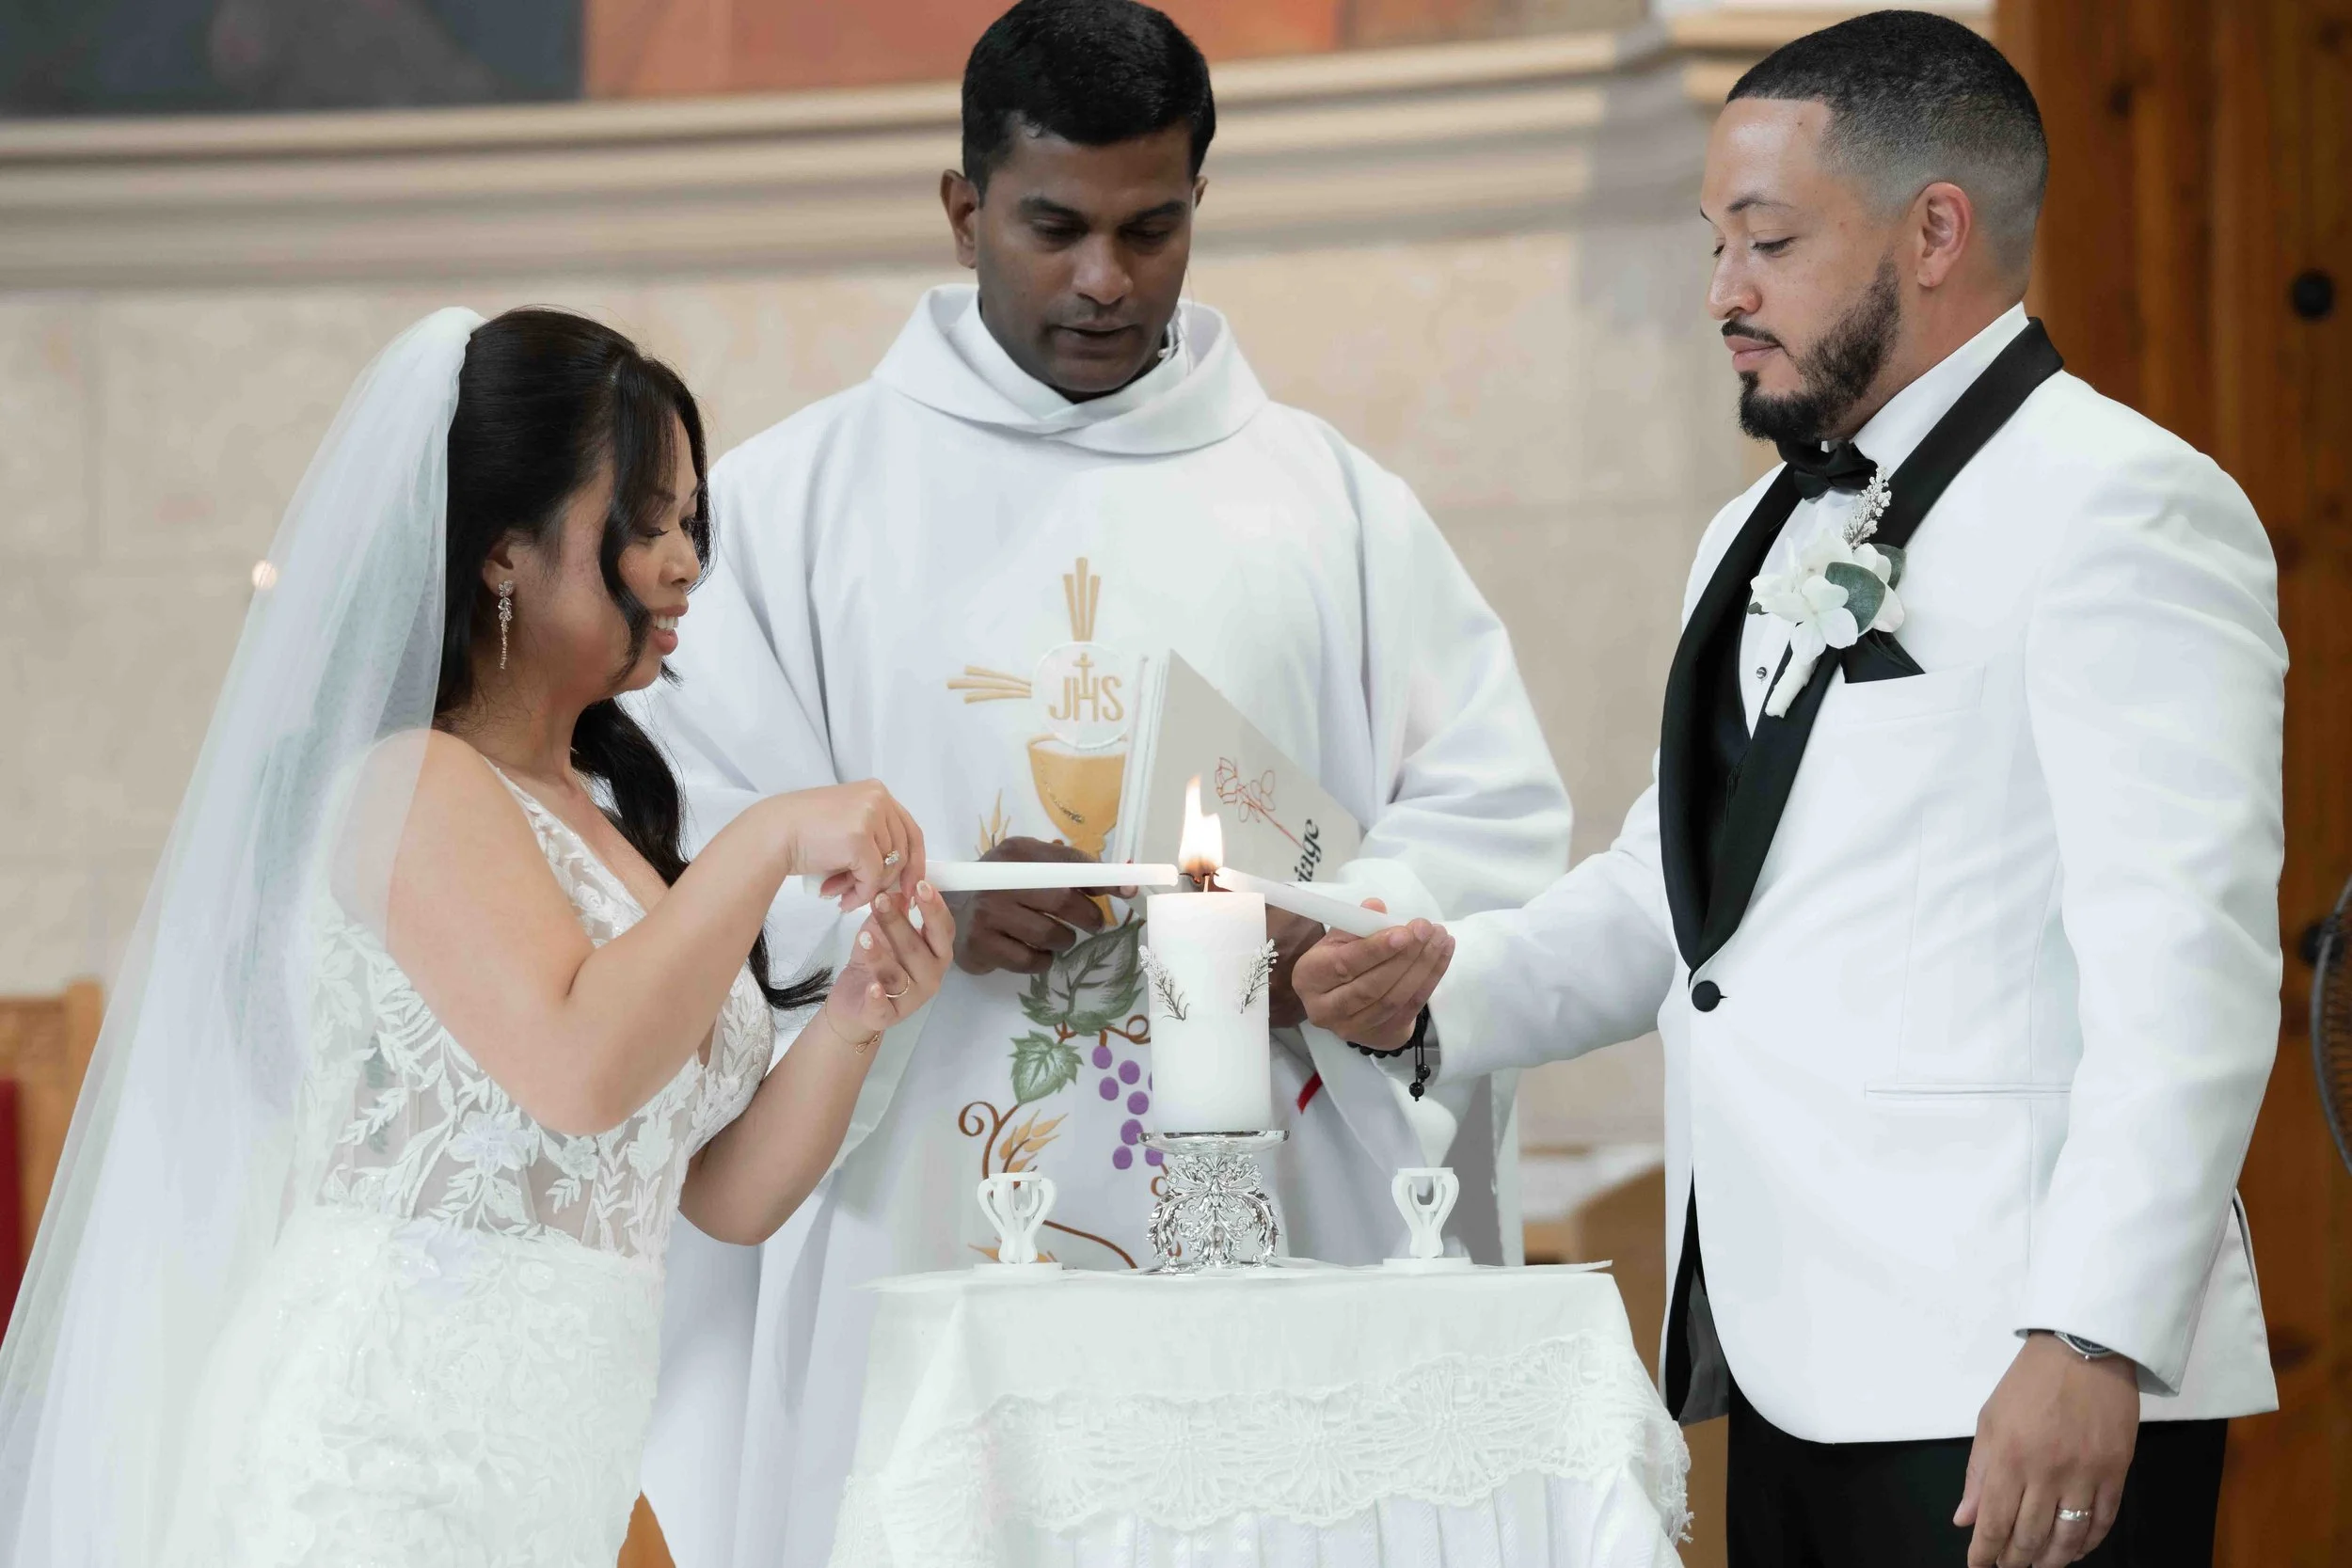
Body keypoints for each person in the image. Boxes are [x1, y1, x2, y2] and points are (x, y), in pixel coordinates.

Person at [1300, 13, 2282, 1568]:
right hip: (1786, 1355)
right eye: (1716, 243)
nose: (1723, 293)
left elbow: (2189, 971)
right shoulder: (1753, 527)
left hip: (2014, 1366)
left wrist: (2092, 1333)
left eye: (1767, 242)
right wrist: (1434, 992)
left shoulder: (2127, 505)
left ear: (1935, 233)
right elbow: (1681, 893)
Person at [629, 2, 1568, 1562]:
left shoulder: (1328, 504)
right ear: (965, 210)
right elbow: (682, 827)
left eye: (1152, 228)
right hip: (912, 1178)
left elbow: (1493, 809)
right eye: (1054, 227)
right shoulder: (797, 504)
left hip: (1270, 1178)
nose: (1105, 280)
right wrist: (908, 917)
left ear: (1200, 203)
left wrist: (1336, 930)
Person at [0, 307, 954, 1565]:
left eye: (691, 525)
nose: (684, 565)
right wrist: (771, 837)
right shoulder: (413, 783)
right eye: (647, 522)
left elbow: (717, 1192)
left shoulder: (607, 822)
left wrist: (856, 1015)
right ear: (505, 552)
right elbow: (577, 1067)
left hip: (551, 1471)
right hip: (382, 1459)